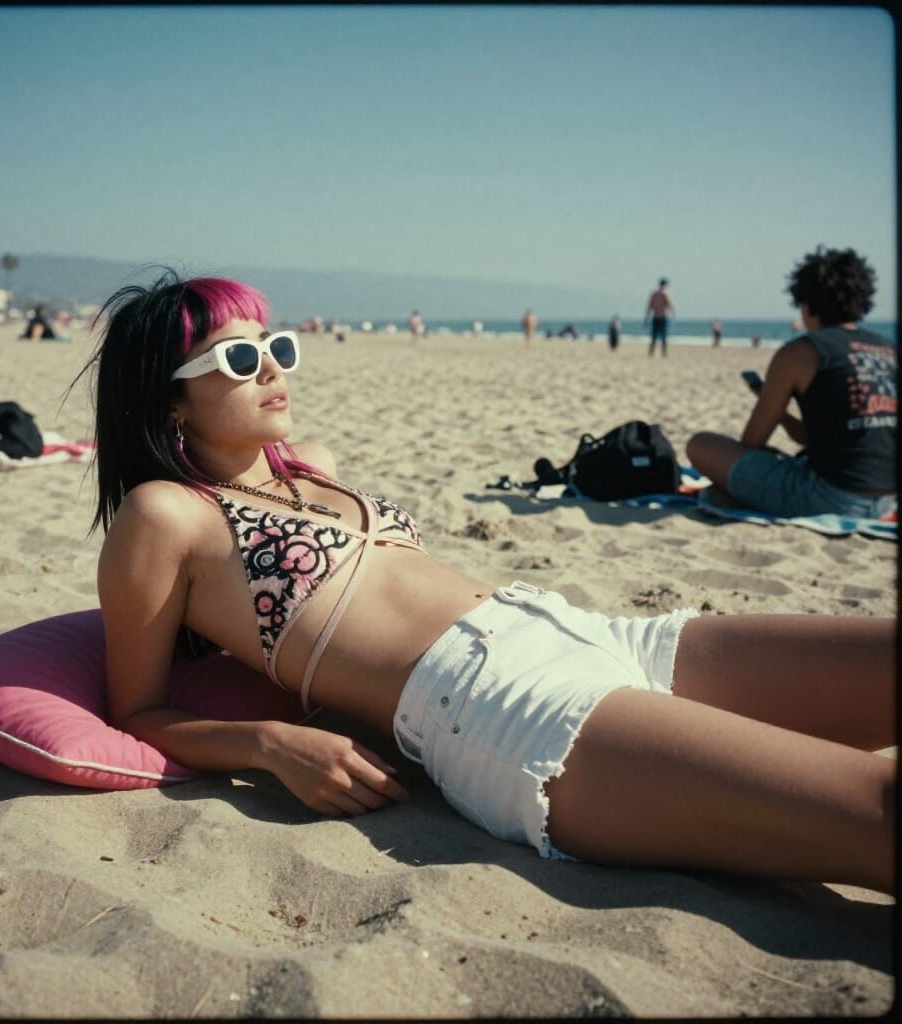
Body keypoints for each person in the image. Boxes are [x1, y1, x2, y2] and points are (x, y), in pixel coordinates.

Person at [81, 270, 894, 894]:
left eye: (276, 346)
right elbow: (138, 712)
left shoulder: (313, 465)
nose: (271, 367)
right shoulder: (166, 516)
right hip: (503, 711)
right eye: (239, 357)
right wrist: (268, 744)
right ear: (171, 399)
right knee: (875, 809)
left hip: (585, 631)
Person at [686, 246, 896, 520]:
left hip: (832, 498)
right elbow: (826, 436)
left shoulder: (802, 351)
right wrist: (783, 416)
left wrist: (768, 402)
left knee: (700, 444)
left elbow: (752, 441)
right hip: (888, 500)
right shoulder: (888, 349)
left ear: (807, 303)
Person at [644, 278, 675, 357]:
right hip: (662, 317)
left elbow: (649, 306)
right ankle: (663, 353)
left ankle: (652, 352)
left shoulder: (654, 294)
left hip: (656, 317)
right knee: (663, 336)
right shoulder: (665, 294)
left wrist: (647, 317)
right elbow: (670, 305)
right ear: (665, 285)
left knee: (654, 336)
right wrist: (673, 314)